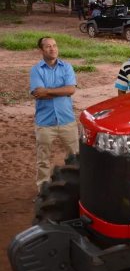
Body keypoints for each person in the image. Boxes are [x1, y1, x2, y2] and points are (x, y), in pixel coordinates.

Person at [30, 37, 79, 191]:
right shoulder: (36, 70)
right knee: (43, 161)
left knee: (75, 157)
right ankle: (42, 190)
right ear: (41, 50)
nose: (53, 49)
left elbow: (71, 90)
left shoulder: (67, 67)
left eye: (55, 46)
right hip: (44, 123)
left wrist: (48, 90)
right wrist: (61, 91)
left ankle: (77, 189)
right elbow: (38, 93)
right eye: (48, 46)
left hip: (67, 120)